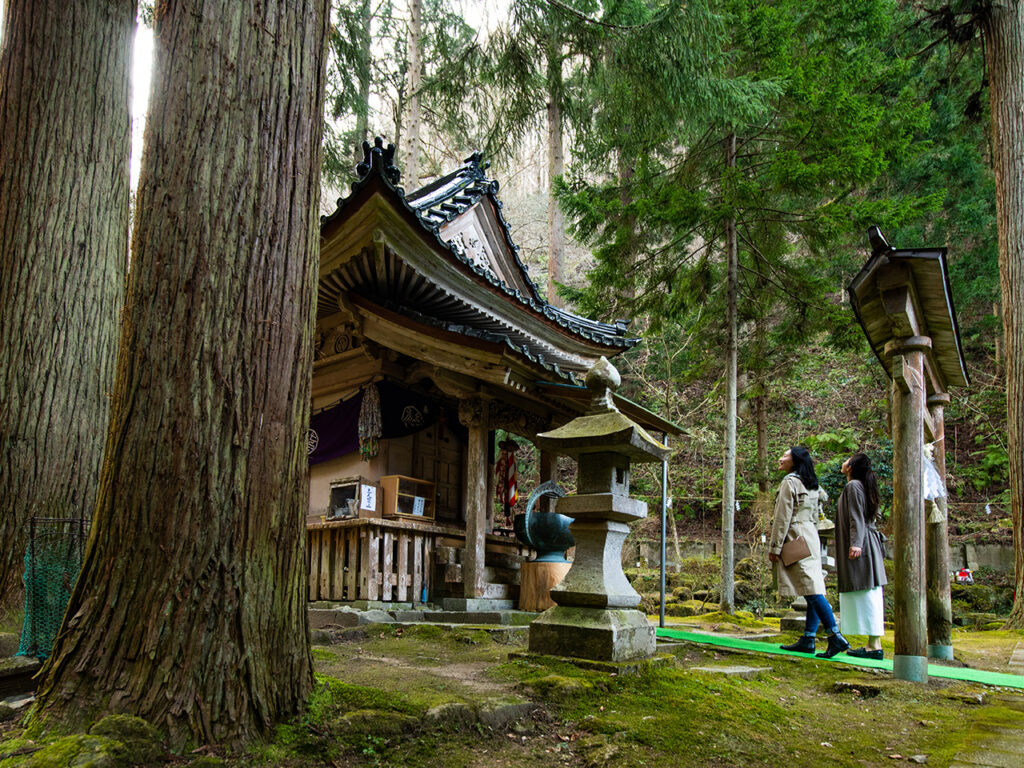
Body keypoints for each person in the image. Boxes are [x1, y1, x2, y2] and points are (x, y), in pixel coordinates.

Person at [769, 446, 849, 659]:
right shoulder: (812, 484)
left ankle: (834, 635)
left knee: (811, 589)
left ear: (794, 461)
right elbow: (814, 516)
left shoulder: (790, 482)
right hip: (811, 537)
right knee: (813, 586)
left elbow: (782, 517)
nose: (781, 458)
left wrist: (775, 547)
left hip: (795, 536)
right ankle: (808, 638)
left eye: (785, 455)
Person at [835, 452, 888, 660]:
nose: (844, 461)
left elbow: (857, 516)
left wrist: (856, 544)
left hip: (863, 546)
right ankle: (873, 644)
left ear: (850, 467)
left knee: (868, 592)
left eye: (847, 460)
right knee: (870, 592)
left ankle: (874, 646)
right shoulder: (860, 486)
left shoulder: (854, 486)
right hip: (868, 544)